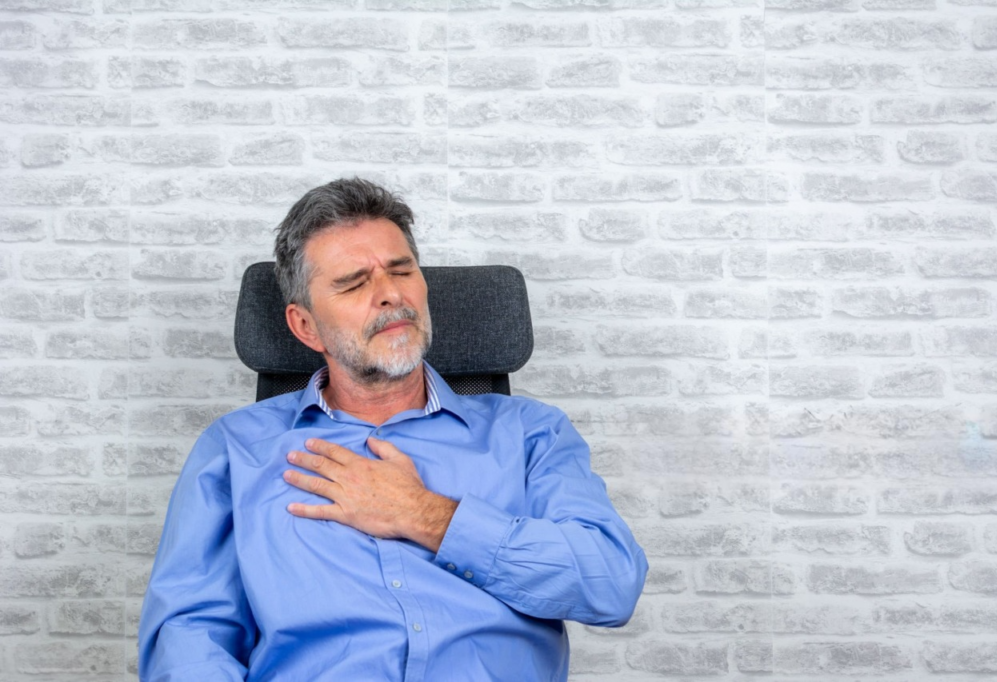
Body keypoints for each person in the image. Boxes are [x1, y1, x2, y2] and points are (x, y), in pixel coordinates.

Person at [138, 177, 648, 681]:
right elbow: (190, 636)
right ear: (305, 326)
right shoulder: (237, 449)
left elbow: (611, 582)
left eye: (401, 271)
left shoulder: (531, 433)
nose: (389, 295)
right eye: (354, 283)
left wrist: (428, 515)